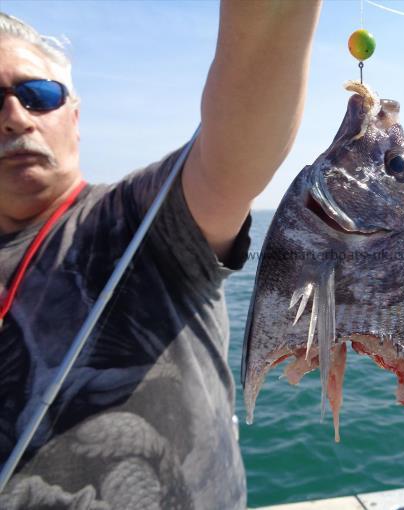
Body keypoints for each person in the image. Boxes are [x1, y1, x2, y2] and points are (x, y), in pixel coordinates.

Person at [0, 1, 321, 508]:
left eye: (38, 95)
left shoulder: (135, 217)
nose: (15, 117)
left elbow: (234, 152)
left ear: (76, 117)